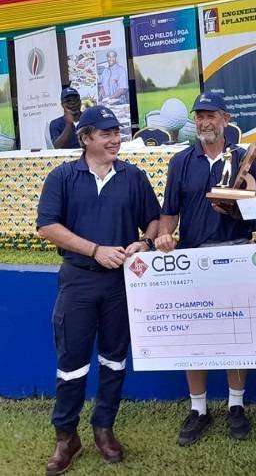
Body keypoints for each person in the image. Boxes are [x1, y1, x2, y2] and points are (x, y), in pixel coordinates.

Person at [37, 105, 161, 475]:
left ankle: (104, 428)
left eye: (117, 133)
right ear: (86, 137)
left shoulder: (133, 176)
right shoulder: (62, 176)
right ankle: (66, 437)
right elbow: (47, 226)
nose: (115, 140)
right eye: (106, 134)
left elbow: (153, 219)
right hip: (78, 279)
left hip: (120, 285)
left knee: (113, 359)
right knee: (72, 364)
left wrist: (145, 242)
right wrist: (95, 250)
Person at [155, 92, 256, 446]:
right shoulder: (182, 161)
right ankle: (198, 408)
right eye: (199, 116)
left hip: (235, 254)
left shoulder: (245, 159)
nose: (204, 122)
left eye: (210, 116)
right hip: (195, 257)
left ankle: (235, 404)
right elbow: (169, 210)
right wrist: (165, 234)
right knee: (195, 337)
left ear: (225, 118)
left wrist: (239, 209)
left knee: (236, 333)